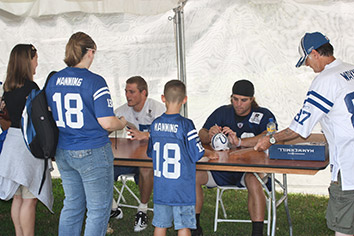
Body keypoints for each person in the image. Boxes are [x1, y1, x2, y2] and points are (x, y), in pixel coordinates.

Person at [255, 32, 354, 236]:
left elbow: (298, 128)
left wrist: (271, 139)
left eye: (307, 60)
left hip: (348, 166)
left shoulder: (325, 80)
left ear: (315, 53)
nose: (308, 66)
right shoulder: (350, 70)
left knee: (343, 228)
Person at [45, 32, 127, 236]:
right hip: (92, 150)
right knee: (98, 210)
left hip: (64, 149)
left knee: (72, 206)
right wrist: (122, 122)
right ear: (90, 52)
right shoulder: (95, 81)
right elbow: (107, 122)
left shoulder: (54, 79)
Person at [194, 79, 276, 236]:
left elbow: (269, 135)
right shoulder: (223, 112)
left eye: (244, 100)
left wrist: (240, 142)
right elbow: (201, 133)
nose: (239, 104)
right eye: (235, 99)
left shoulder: (264, 114)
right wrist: (209, 134)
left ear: (252, 99)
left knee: (253, 179)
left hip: (249, 171)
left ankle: (257, 232)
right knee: (194, 176)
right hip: (221, 170)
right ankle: (194, 227)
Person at [0, 44, 53, 235]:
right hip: (28, 147)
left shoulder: (7, 89)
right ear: (27, 61)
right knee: (30, 200)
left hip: (11, 145)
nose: (37, 62)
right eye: (35, 58)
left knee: (18, 198)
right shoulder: (31, 88)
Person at [147, 80, 210, 236]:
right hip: (182, 189)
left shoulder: (155, 124)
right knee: (183, 227)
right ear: (185, 99)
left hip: (162, 188)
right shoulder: (186, 125)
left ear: (163, 98)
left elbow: (150, 152)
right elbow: (197, 153)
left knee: (160, 225)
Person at [112, 76, 165, 232]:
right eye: (126, 91)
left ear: (144, 93)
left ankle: (142, 210)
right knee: (101, 168)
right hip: (126, 159)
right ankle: (113, 207)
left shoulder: (158, 109)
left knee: (146, 168)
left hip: (149, 160)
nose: (127, 95)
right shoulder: (121, 111)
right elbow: (106, 130)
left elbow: (167, 134)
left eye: (132, 92)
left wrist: (146, 135)